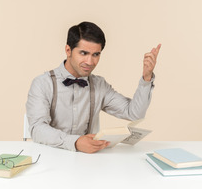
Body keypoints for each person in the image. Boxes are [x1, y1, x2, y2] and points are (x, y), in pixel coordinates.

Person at [26, 21, 161, 153]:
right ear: (68, 50)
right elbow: (37, 129)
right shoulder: (42, 83)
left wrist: (146, 78)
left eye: (96, 54)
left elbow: (134, 114)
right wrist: (75, 142)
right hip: (50, 159)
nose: (90, 62)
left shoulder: (99, 85)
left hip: (89, 163)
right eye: (83, 53)